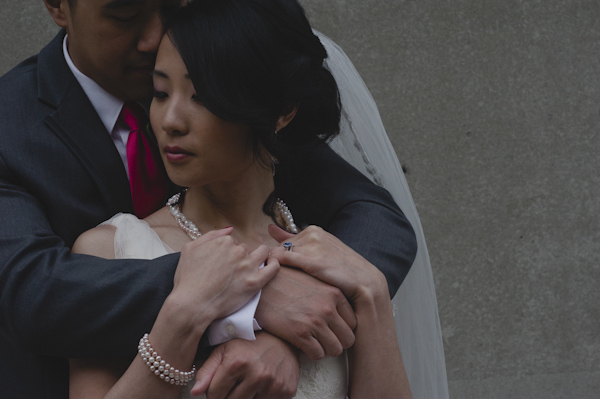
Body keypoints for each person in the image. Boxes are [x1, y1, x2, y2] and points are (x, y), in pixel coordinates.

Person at [0, 0, 417, 398]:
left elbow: (375, 216)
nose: (154, 36)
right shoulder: (12, 128)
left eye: (170, 8)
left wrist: (295, 335)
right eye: (125, 14)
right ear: (58, 6)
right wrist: (241, 294)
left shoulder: (232, 76)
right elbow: (33, 295)